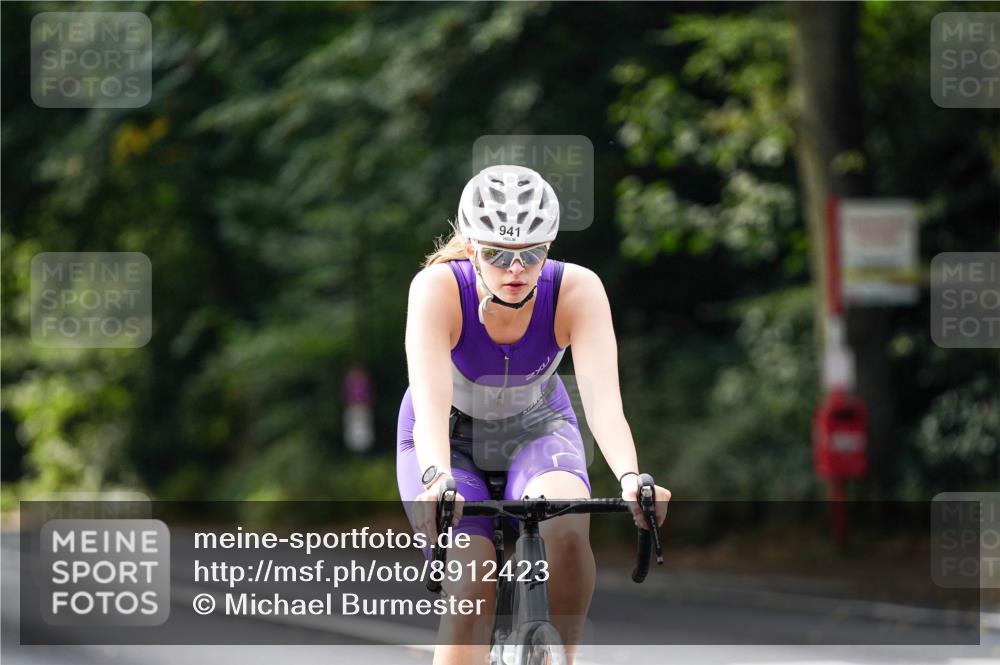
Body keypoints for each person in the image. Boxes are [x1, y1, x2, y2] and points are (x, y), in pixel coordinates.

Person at [396, 164, 670, 665]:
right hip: (447, 438)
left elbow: (605, 404)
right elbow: (431, 406)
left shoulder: (577, 290)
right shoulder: (436, 289)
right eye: (498, 255)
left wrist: (632, 478)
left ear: (550, 245)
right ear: (472, 247)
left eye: (532, 253)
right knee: (472, 582)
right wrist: (436, 478)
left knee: (566, 532)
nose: (516, 269)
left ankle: (559, 657)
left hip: (537, 425)